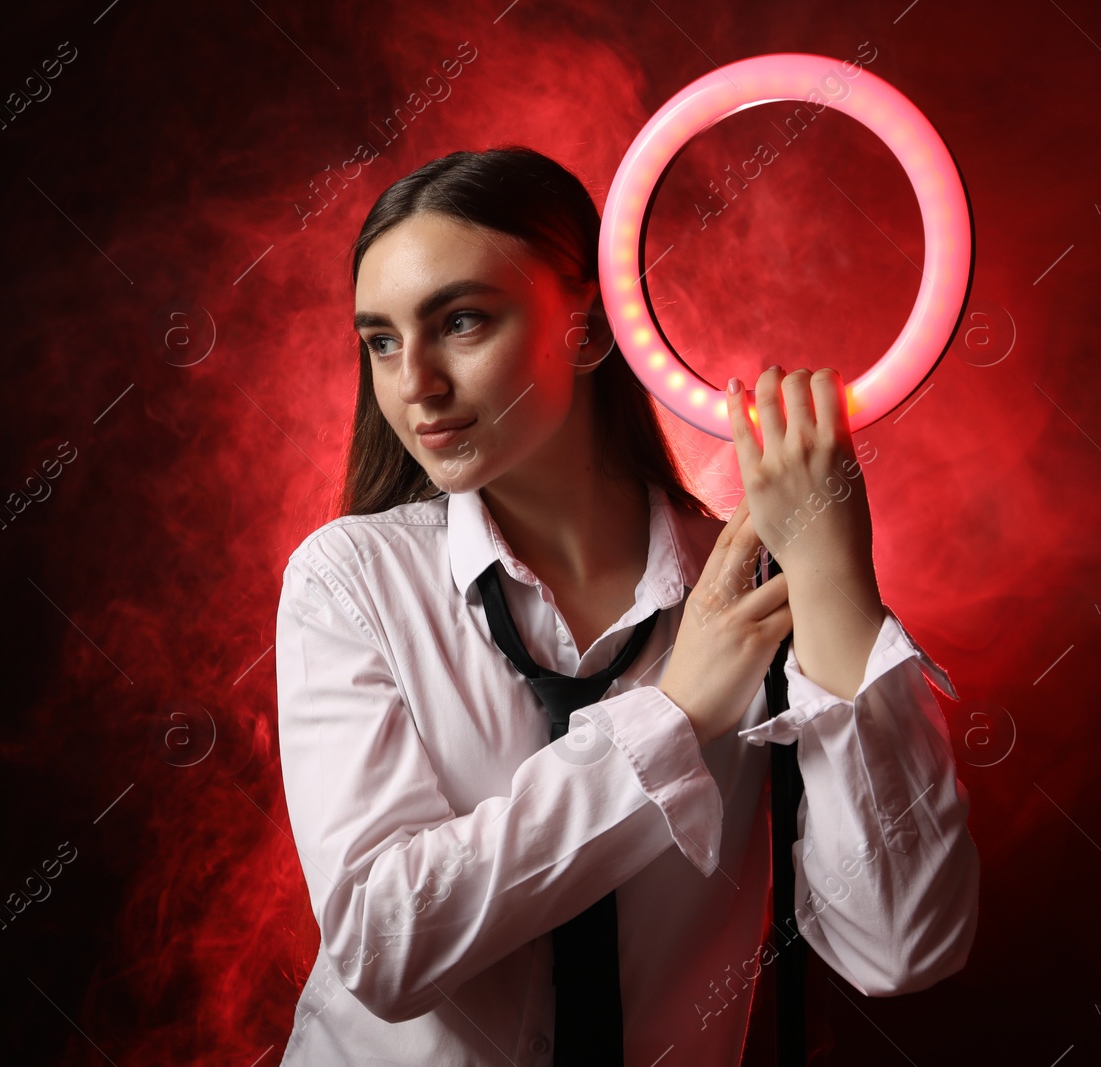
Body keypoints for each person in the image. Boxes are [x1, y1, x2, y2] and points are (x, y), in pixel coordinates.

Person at [274, 144, 979, 1066]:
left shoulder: (751, 587)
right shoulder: (349, 580)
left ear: (593, 331)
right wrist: (674, 717)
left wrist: (836, 583)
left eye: (462, 322)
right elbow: (383, 946)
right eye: (380, 340)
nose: (415, 384)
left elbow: (902, 945)